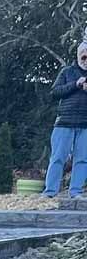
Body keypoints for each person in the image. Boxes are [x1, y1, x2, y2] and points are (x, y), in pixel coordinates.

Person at [44, 38, 87, 200]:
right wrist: (75, 84)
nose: (86, 60)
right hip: (64, 122)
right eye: (84, 56)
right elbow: (54, 92)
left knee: (83, 159)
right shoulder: (67, 72)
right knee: (57, 158)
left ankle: (75, 192)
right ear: (78, 56)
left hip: (85, 124)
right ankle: (50, 192)